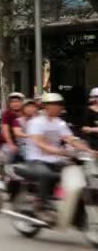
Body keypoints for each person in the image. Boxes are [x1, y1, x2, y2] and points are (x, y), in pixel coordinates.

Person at [25, 93, 97, 221]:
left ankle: (70, 207)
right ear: (46, 106)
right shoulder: (36, 123)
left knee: (78, 175)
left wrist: (89, 150)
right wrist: (58, 151)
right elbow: (40, 143)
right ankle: (41, 204)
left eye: (60, 105)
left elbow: (70, 139)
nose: (59, 107)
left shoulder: (60, 123)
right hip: (36, 159)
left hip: (56, 159)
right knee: (47, 175)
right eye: (56, 105)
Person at [0, 92, 25, 163]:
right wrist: (11, 144)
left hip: (25, 142)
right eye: (12, 102)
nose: (15, 104)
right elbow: (5, 130)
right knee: (8, 151)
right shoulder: (7, 114)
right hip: (10, 142)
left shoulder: (26, 113)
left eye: (17, 101)